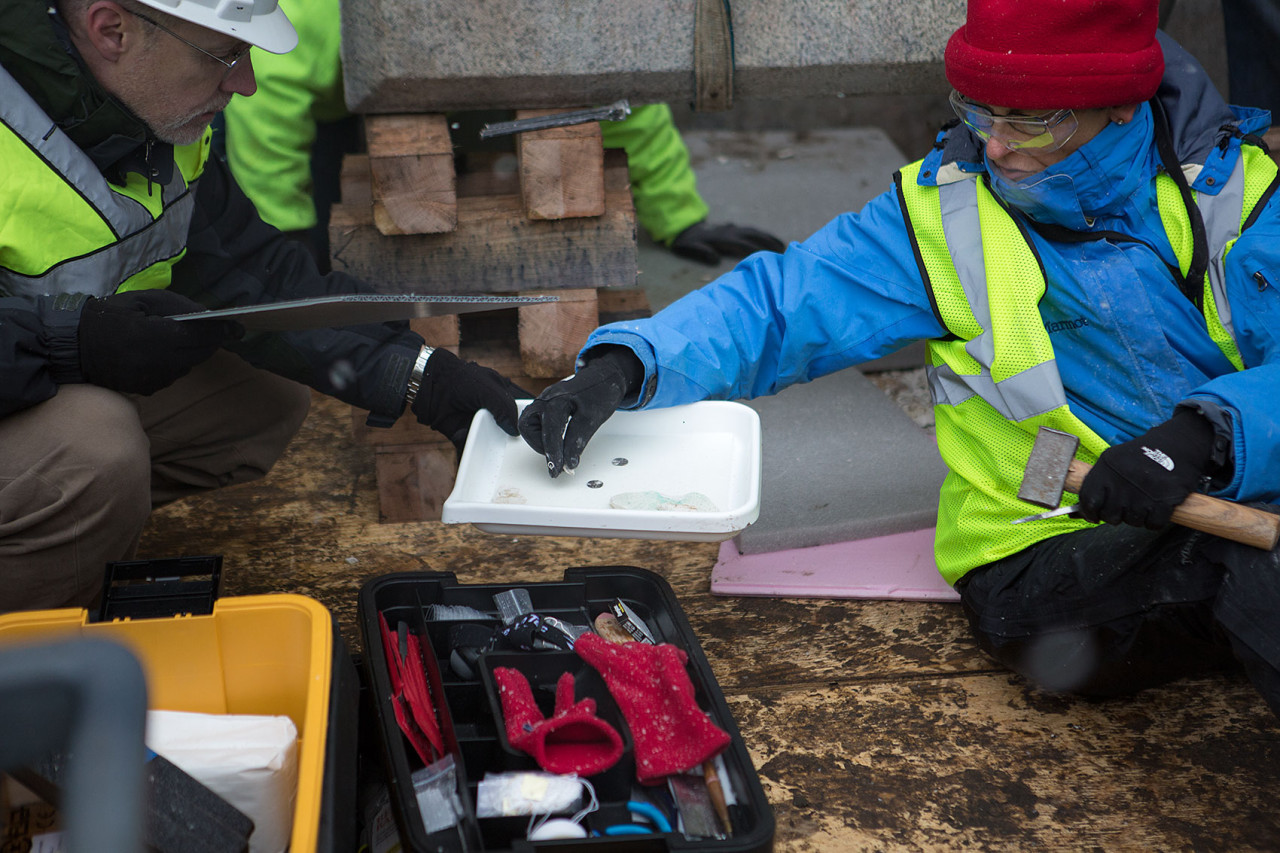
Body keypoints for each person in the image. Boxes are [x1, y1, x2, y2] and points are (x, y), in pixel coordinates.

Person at [519, 0, 1280, 714]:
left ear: (1123, 102)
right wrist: (624, 365)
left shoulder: (1243, 193)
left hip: (1233, 507)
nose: (998, 145)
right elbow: (782, 305)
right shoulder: (944, 214)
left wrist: (1209, 436)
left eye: (1033, 121)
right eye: (978, 111)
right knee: (1248, 572)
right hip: (1039, 546)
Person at [0, 0, 523, 613]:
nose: (244, 84)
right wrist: (71, 341)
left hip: (33, 378)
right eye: (224, 54)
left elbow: (247, 269)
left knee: (260, 397)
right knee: (95, 452)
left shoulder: (144, 112)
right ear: (111, 29)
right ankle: (37, 658)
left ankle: (59, 539)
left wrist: (421, 377)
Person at [219, 0, 785, 269]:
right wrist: (285, 230)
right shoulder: (334, 14)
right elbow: (266, 95)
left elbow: (617, 99)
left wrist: (679, 216)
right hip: (323, 101)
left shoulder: (553, 17)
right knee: (323, 226)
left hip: (446, 77)